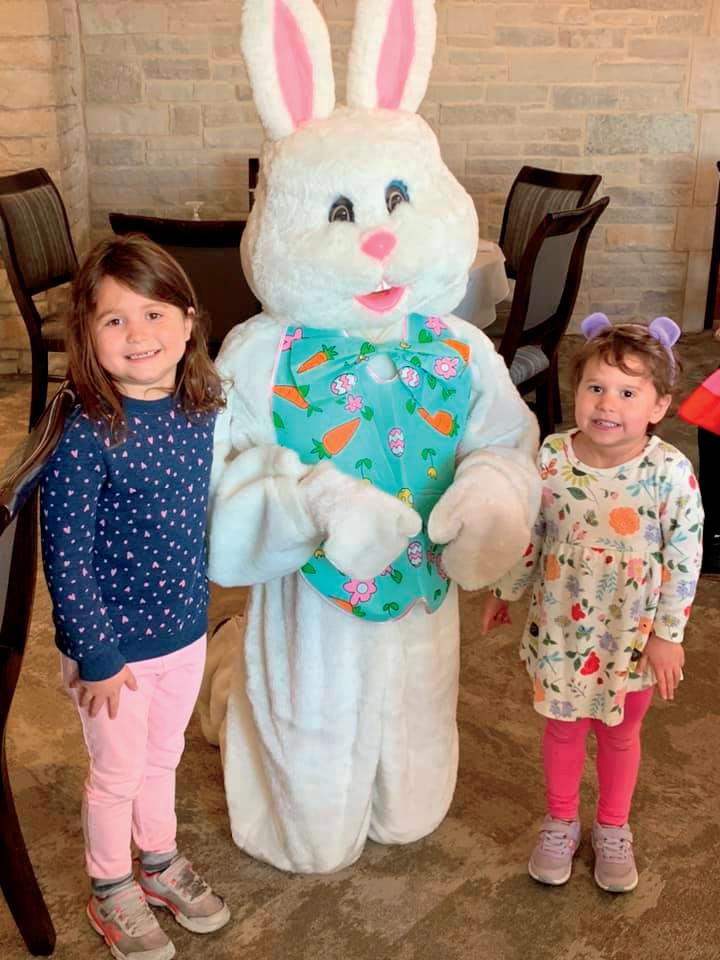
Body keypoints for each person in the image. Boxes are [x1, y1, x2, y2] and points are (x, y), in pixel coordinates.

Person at [40, 235, 229, 960]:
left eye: (154, 314)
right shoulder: (86, 432)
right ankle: (110, 885)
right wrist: (95, 656)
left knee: (163, 756)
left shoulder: (198, 408)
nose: (138, 334)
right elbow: (65, 558)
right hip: (112, 651)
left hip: (184, 631)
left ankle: (157, 862)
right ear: (88, 334)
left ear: (188, 322)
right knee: (116, 774)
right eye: (115, 319)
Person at [481, 314, 703, 894]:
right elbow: (530, 533)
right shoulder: (552, 457)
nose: (608, 404)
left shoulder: (669, 472)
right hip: (562, 628)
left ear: (659, 406)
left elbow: (685, 559)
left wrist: (669, 635)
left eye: (628, 393)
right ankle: (560, 821)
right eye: (596, 387)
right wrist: (506, 591)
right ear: (575, 391)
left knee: (621, 733)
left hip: (632, 635)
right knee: (562, 730)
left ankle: (612, 826)